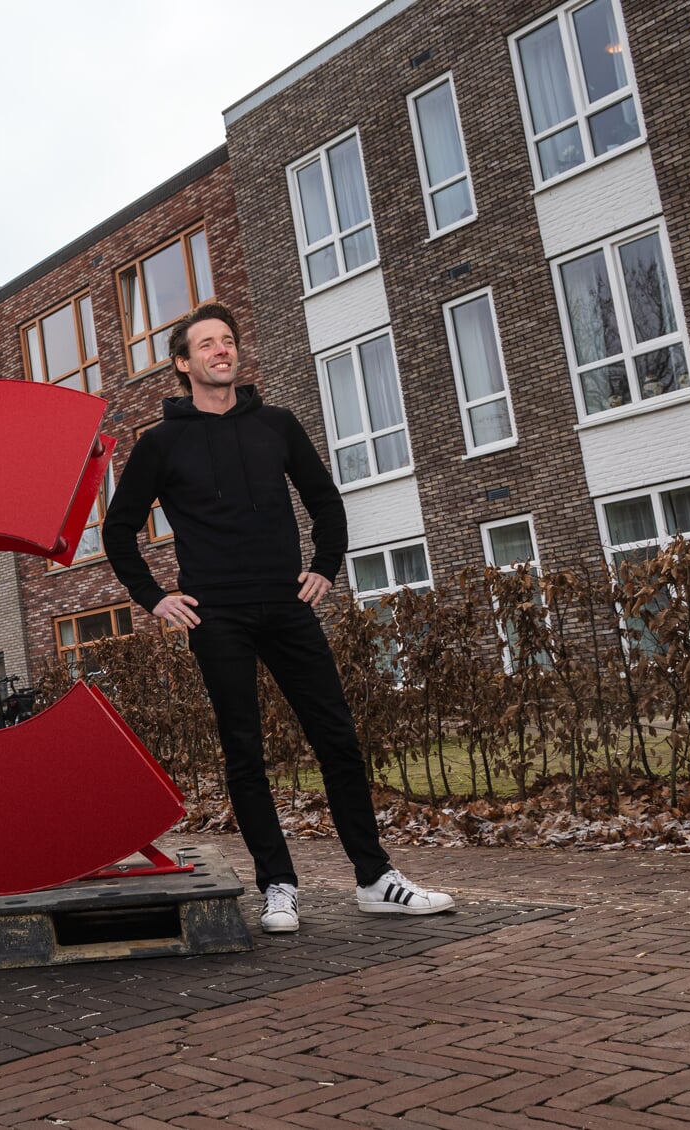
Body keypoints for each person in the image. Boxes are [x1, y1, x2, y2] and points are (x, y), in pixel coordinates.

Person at [103, 301, 453, 934]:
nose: (221, 350)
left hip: (288, 606)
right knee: (245, 752)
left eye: (228, 341)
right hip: (217, 616)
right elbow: (119, 530)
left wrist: (324, 565)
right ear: (183, 363)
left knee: (337, 740)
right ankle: (278, 886)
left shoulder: (278, 425)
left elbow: (325, 501)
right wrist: (155, 598)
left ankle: (375, 878)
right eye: (206, 344)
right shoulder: (159, 444)